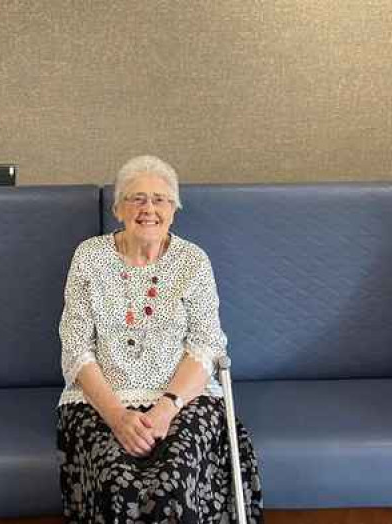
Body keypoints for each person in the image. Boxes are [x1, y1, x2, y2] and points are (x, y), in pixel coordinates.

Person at [56, 155, 263, 522]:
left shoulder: (193, 261)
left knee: (175, 481)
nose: (148, 208)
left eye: (160, 199)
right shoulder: (89, 257)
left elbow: (206, 345)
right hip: (100, 402)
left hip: (184, 400)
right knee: (115, 480)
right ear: (118, 208)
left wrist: (167, 407)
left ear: (174, 210)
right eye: (136, 198)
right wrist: (118, 416)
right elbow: (76, 348)